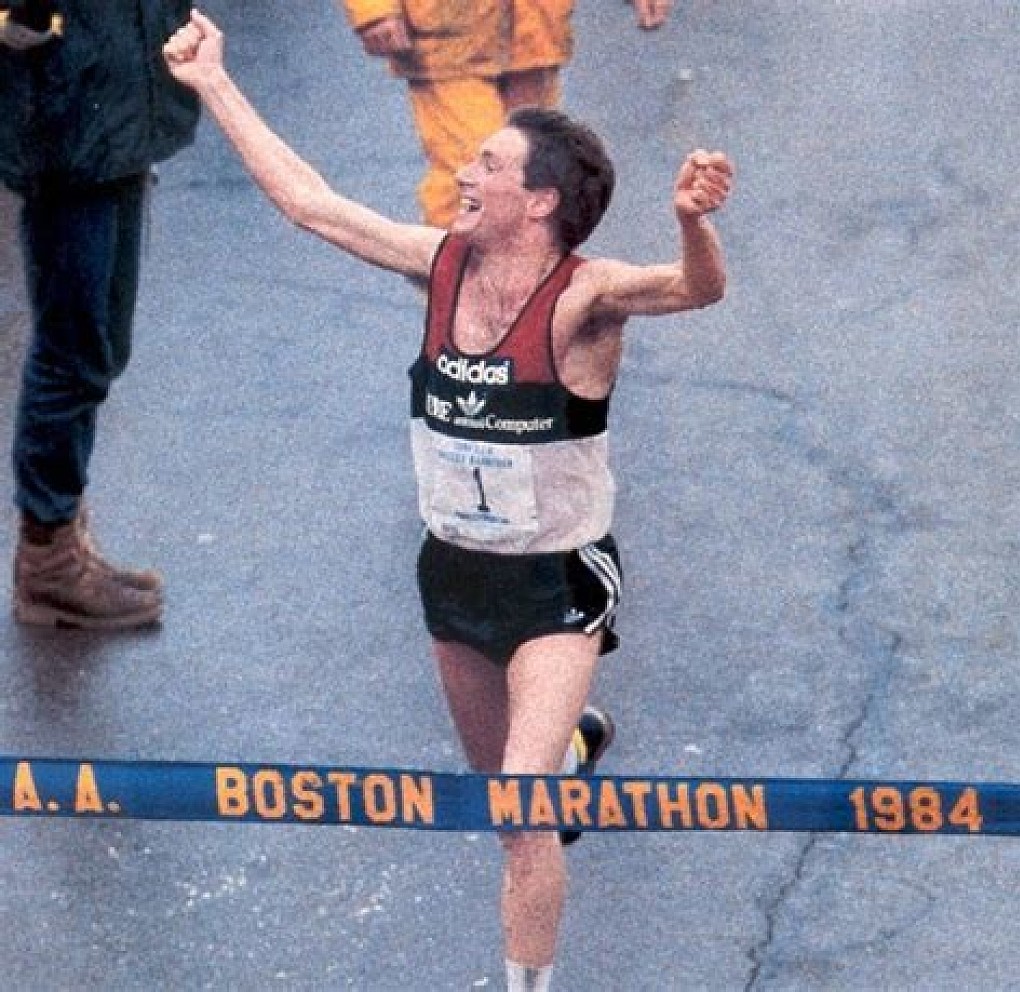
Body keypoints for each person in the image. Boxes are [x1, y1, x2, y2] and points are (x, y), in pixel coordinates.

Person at [164, 10, 732, 990]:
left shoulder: (584, 297)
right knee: (501, 795)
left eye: (487, 166)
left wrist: (690, 220)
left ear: (540, 201)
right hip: (454, 575)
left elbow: (695, 289)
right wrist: (214, 80)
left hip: (556, 583)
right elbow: (312, 205)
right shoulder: (437, 265)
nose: (464, 173)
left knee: (520, 815)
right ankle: (568, 751)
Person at [0, 0, 200, 629]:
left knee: (101, 347)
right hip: (67, 119)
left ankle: (63, 538)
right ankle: (48, 558)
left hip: (117, 113)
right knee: (72, 353)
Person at [338, 0, 674, 227]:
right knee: (476, 167)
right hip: (447, 39)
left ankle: (513, 292)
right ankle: (453, 282)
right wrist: (374, 9)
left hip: (534, 33)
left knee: (533, 170)